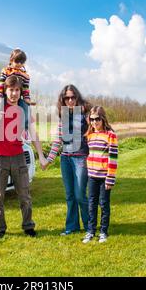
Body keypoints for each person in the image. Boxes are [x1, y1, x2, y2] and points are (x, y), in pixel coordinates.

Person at [0, 75, 46, 239]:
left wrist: (41, 156)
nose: (14, 93)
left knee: (25, 195)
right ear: (5, 90)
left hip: (18, 156)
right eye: (11, 90)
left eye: (17, 90)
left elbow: (34, 134)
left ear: (20, 91)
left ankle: (28, 226)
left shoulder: (24, 108)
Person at [41, 85, 92, 236]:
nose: (70, 100)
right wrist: (48, 160)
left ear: (77, 97)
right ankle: (72, 226)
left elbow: (93, 134)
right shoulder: (63, 116)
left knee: (80, 195)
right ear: (62, 100)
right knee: (70, 195)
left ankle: (90, 225)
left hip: (81, 158)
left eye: (73, 97)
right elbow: (58, 140)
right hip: (66, 159)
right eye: (67, 98)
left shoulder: (86, 114)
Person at [81, 106, 118, 244]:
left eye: (97, 119)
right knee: (91, 204)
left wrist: (110, 178)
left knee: (103, 204)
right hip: (92, 176)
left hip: (104, 178)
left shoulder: (110, 135)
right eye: (92, 119)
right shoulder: (89, 135)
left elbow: (113, 159)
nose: (94, 122)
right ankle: (90, 231)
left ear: (103, 119)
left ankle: (103, 231)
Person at [0, 49, 33, 135]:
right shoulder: (6, 71)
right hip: (5, 95)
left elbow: (26, 88)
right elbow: (0, 83)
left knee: (26, 108)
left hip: (17, 97)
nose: (19, 64)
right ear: (11, 60)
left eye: (22, 62)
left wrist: (26, 98)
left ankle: (25, 130)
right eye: (17, 61)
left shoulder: (25, 75)